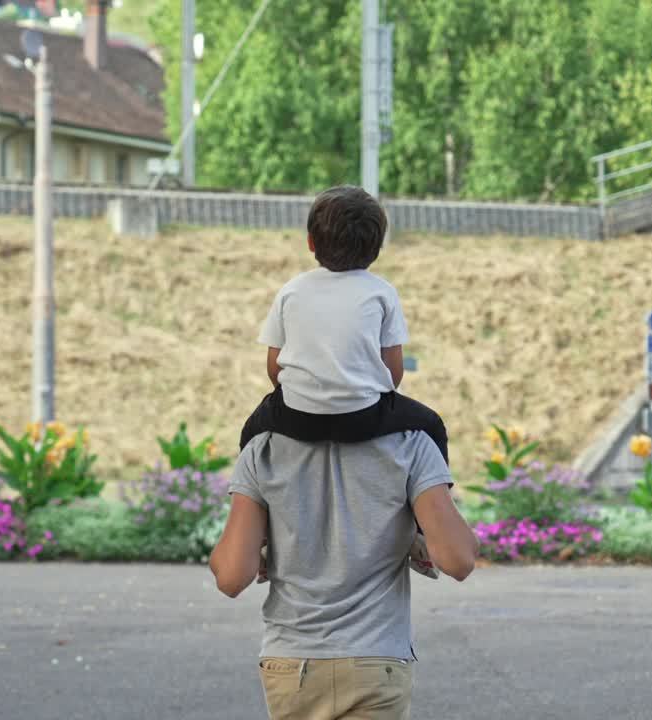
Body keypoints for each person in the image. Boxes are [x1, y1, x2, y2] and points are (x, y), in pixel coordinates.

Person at [237, 185, 448, 581]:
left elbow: (274, 366)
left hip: (297, 416)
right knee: (432, 425)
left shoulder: (291, 291)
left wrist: (300, 393)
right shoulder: (382, 292)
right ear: (377, 248)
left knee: (251, 433)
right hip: (364, 417)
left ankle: (259, 538)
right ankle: (422, 535)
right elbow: (393, 370)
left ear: (311, 242)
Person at [209, 429, 478, 720]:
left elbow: (231, 577)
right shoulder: (411, 443)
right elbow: (459, 560)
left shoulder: (262, 448)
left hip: (292, 661)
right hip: (375, 658)